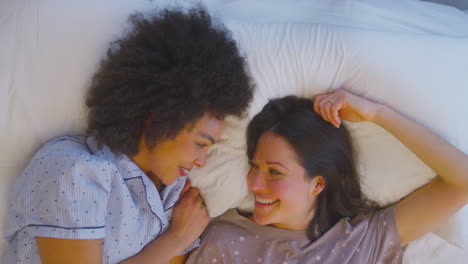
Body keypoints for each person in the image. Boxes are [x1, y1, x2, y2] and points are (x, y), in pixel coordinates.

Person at [2, 7, 254, 264]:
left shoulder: (176, 197)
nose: (202, 161)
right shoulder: (74, 171)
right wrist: (175, 240)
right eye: (201, 144)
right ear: (160, 117)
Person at [186, 89, 468, 264]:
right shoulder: (222, 240)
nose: (254, 183)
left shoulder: (365, 240)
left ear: (318, 183)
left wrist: (377, 114)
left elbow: (462, 181)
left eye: (274, 172)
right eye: (254, 165)